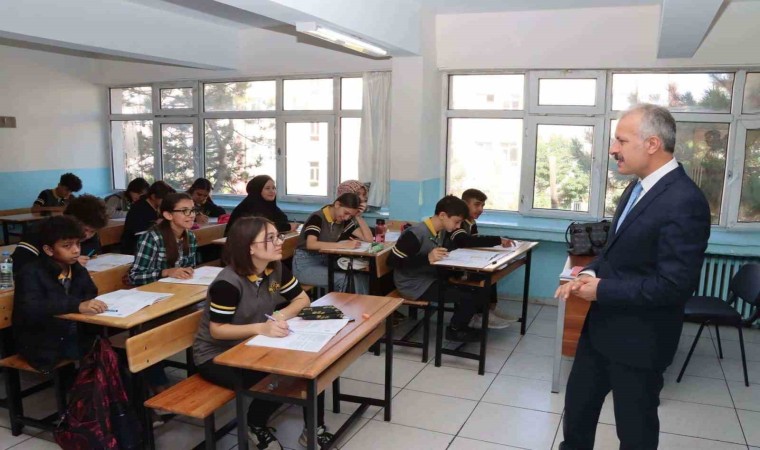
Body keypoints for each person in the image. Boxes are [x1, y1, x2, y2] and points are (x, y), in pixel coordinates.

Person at [555, 104, 711, 450]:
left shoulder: (685, 200)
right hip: (599, 332)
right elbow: (614, 250)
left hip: (640, 342)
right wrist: (589, 272)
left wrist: (602, 290)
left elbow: (675, 285)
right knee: (577, 415)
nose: (613, 149)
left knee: (635, 432)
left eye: (621, 141)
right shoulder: (637, 188)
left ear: (652, 144)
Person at [193, 217, 332, 449]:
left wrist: (279, 316)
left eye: (278, 236)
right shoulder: (227, 283)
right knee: (278, 378)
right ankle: (255, 424)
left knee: (312, 367)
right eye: (270, 238)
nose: (279, 242)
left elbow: (302, 299)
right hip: (217, 355)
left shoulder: (273, 267)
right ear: (249, 247)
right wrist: (261, 328)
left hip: (253, 343)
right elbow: (217, 331)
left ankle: (313, 429)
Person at [387, 195, 488, 342]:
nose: (458, 226)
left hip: (429, 278)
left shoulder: (440, 230)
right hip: (413, 285)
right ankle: (455, 331)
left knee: (478, 289)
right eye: (457, 222)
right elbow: (393, 261)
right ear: (442, 215)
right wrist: (427, 258)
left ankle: (460, 325)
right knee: (469, 296)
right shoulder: (415, 233)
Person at [13, 216, 107, 373]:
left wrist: (87, 304)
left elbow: (90, 291)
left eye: (78, 243)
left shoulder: (76, 268)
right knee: (103, 352)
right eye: (67, 246)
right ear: (49, 250)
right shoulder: (31, 273)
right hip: (42, 341)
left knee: (105, 347)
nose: (76, 250)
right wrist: (77, 305)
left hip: (70, 332)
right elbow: (33, 307)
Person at [446, 188, 517, 329]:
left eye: (482, 205)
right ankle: (480, 314)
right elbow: (465, 241)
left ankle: (490, 309)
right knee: (483, 275)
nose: (481, 209)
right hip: (452, 268)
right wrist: (497, 240)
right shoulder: (457, 221)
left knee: (492, 269)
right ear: (464, 204)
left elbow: (475, 243)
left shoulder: (471, 222)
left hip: (465, 263)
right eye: (477, 205)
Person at [292, 193, 373, 294]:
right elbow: (311, 244)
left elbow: (369, 239)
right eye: (346, 213)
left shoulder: (343, 220)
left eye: (351, 216)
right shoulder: (318, 217)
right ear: (337, 204)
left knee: (361, 275)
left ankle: (362, 303)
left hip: (326, 262)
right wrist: (343, 245)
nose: (347, 218)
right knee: (345, 279)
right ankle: (346, 304)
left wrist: (358, 217)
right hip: (304, 266)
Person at [13, 194, 109, 275]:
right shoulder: (39, 231)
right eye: (85, 229)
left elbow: (94, 255)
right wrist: (65, 265)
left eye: (92, 232)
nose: (87, 235)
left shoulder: (91, 235)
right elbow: (19, 265)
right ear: (69, 219)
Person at [128, 193, 197, 286]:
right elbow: (134, 277)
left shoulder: (190, 237)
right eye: (185, 211)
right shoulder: (152, 238)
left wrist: (188, 271)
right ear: (168, 215)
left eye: (193, 210)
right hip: (153, 290)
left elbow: (190, 267)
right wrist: (166, 272)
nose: (192, 215)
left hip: (178, 287)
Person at [226, 175, 295, 236]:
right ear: (258, 190)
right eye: (267, 188)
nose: (272, 191)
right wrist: (288, 227)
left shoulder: (270, 206)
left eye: (274, 188)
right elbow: (261, 228)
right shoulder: (250, 207)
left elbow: (281, 219)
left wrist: (287, 226)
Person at [120, 180, 175, 255]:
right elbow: (138, 231)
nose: (166, 202)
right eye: (163, 199)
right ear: (153, 196)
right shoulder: (139, 208)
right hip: (136, 247)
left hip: (154, 244)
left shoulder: (159, 207)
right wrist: (156, 224)